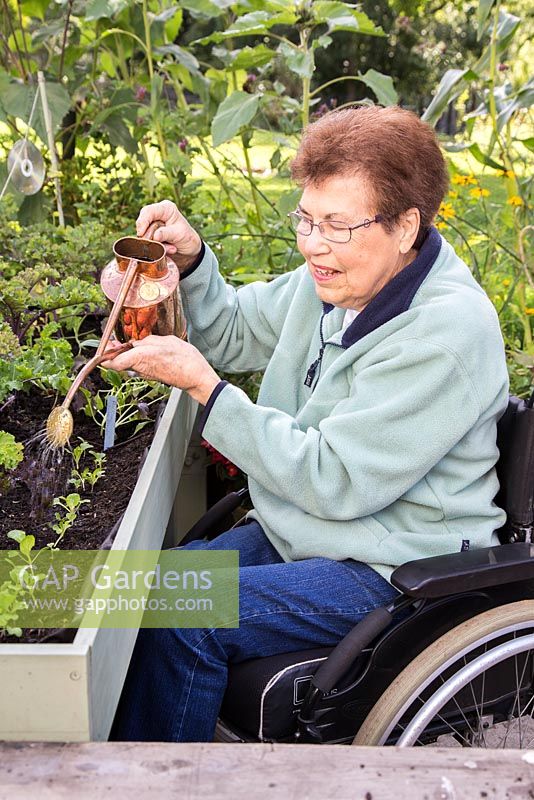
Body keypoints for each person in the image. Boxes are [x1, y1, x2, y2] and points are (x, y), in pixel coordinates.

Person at [107, 105, 509, 742]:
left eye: (337, 226)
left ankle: (153, 782)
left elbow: (333, 479)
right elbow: (235, 330)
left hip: (394, 564)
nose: (314, 244)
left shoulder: (445, 333)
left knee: (182, 614)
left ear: (406, 226)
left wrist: (205, 389)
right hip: (309, 531)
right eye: (306, 220)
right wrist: (189, 262)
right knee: (134, 589)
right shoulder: (337, 277)